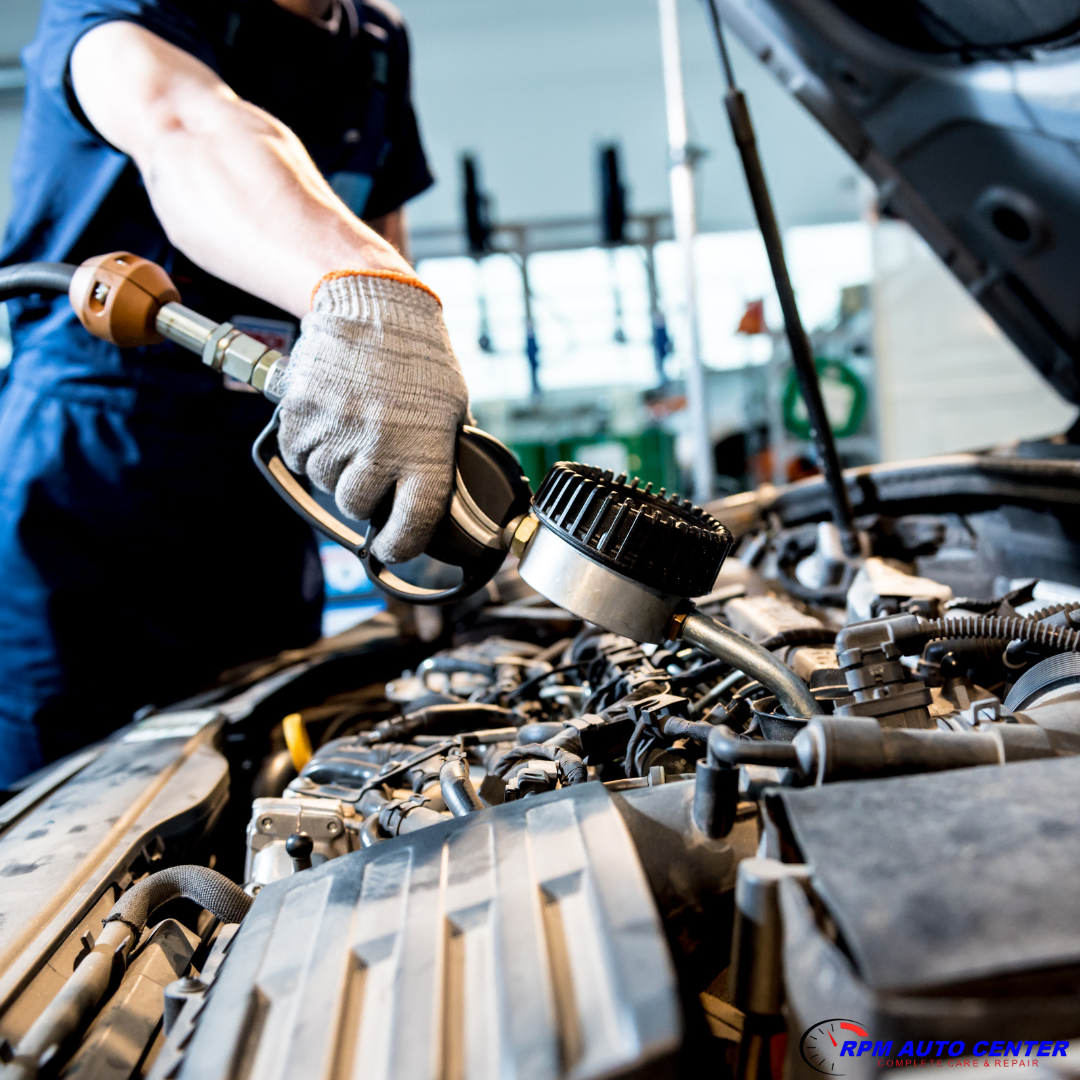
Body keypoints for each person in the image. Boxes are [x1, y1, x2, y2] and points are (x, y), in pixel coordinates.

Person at [0, 0, 469, 785]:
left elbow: (383, 247)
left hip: (262, 479)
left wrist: (406, 485)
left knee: (260, 784)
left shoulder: (378, 45)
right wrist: (365, 293)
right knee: (58, 816)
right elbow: (187, 128)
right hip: (88, 481)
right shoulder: (123, 9)